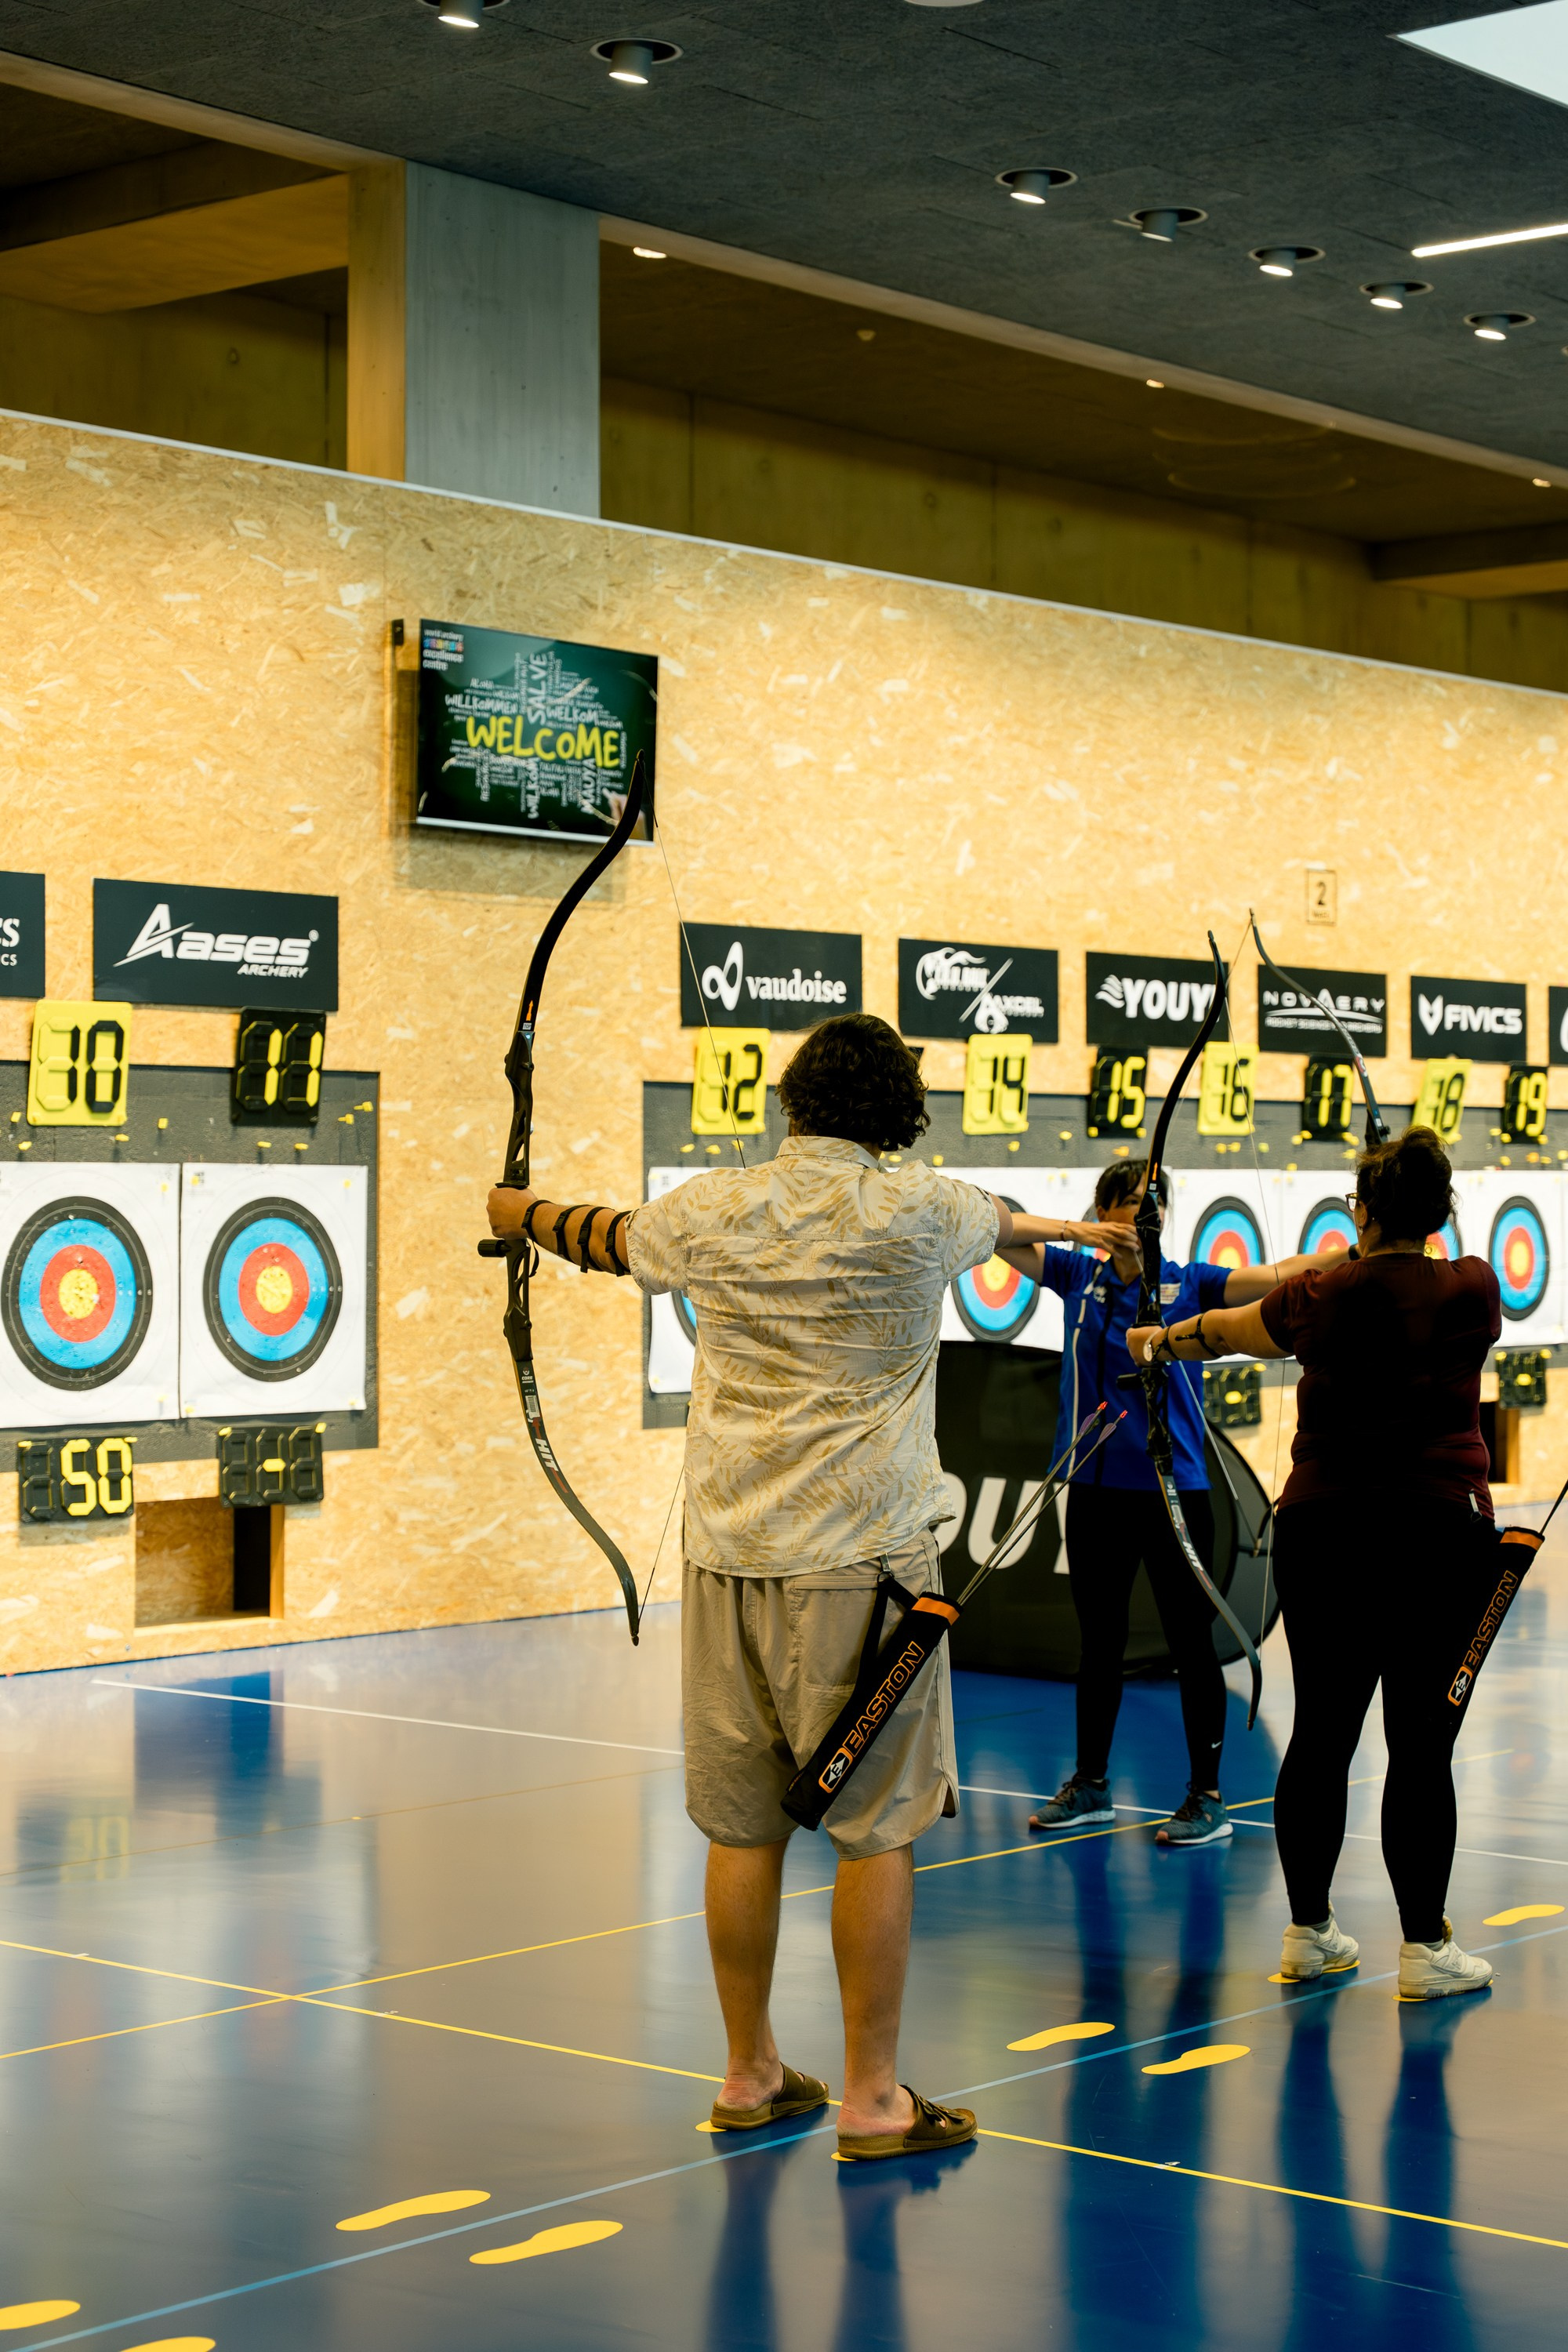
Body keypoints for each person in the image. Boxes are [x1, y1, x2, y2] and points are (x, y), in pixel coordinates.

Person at [486, 1011, 1006, 2158]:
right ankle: (874, 2099)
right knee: (875, 1831)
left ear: (793, 1103)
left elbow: (607, 1237)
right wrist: (1062, 1230)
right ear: (901, 1116)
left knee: (742, 1827)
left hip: (725, 1562)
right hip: (863, 1572)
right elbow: (1000, 1221)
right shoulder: (925, 1212)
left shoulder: (714, 1209)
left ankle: (749, 2071)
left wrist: (519, 1214)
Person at [1126, 1125, 1503, 2002]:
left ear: (1361, 1213)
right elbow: (1409, 1278)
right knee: (1419, 1745)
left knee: (1324, 1732)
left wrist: (1158, 1339)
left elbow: (1221, 1331)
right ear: (1439, 1213)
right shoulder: (1472, 1288)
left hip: (1324, 1529)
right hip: (1437, 1534)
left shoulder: (1318, 1297)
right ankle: (1421, 1948)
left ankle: (1308, 1932)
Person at [1000, 1163, 1343, 1846]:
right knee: (1099, 1644)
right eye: (1130, 1207)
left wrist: (1358, 1254)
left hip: (1173, 1492)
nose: (1144, 1220)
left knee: (1192, 1645)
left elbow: (1280, 1274)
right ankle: (1092, 1784)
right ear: (1102, 1211)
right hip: (1095, 1489)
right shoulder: (1078, 1276)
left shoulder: (1191, 1283)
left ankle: (1207, 1797)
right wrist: (1076, 1232)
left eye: (1155, 1207)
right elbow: (994, 1229)